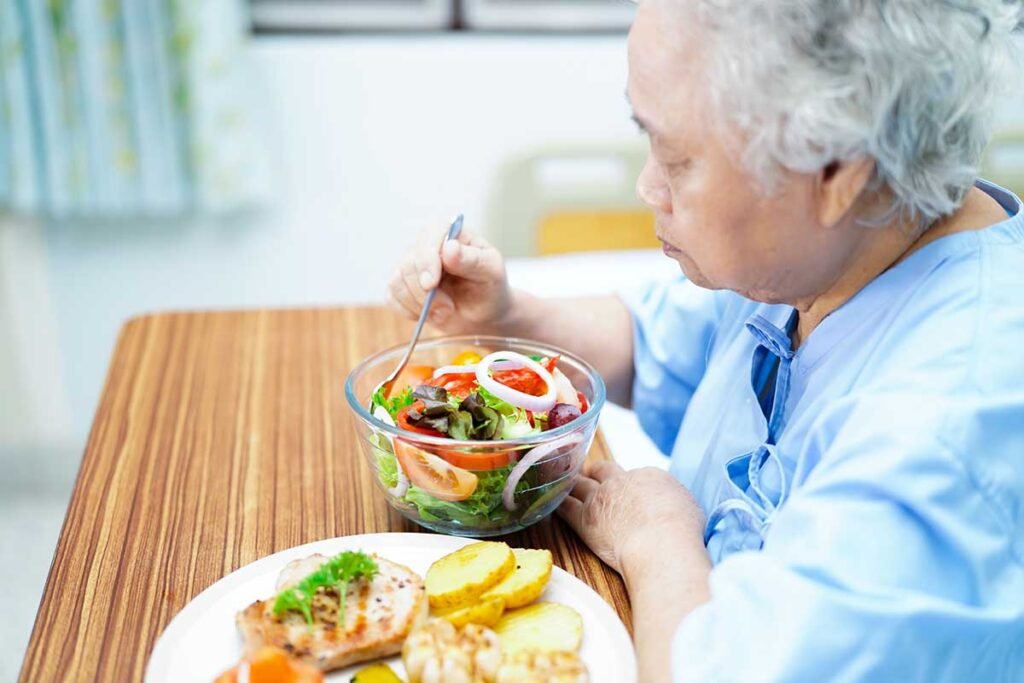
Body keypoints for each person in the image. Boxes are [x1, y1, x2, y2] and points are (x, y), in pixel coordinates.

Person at [388, 1, 1024, 679]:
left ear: (840, 169)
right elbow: (658, 340)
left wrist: (658, 539)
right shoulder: (834, 256)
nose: (646, 186)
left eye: (675, 156)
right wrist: (511, 311)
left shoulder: (941, 440)